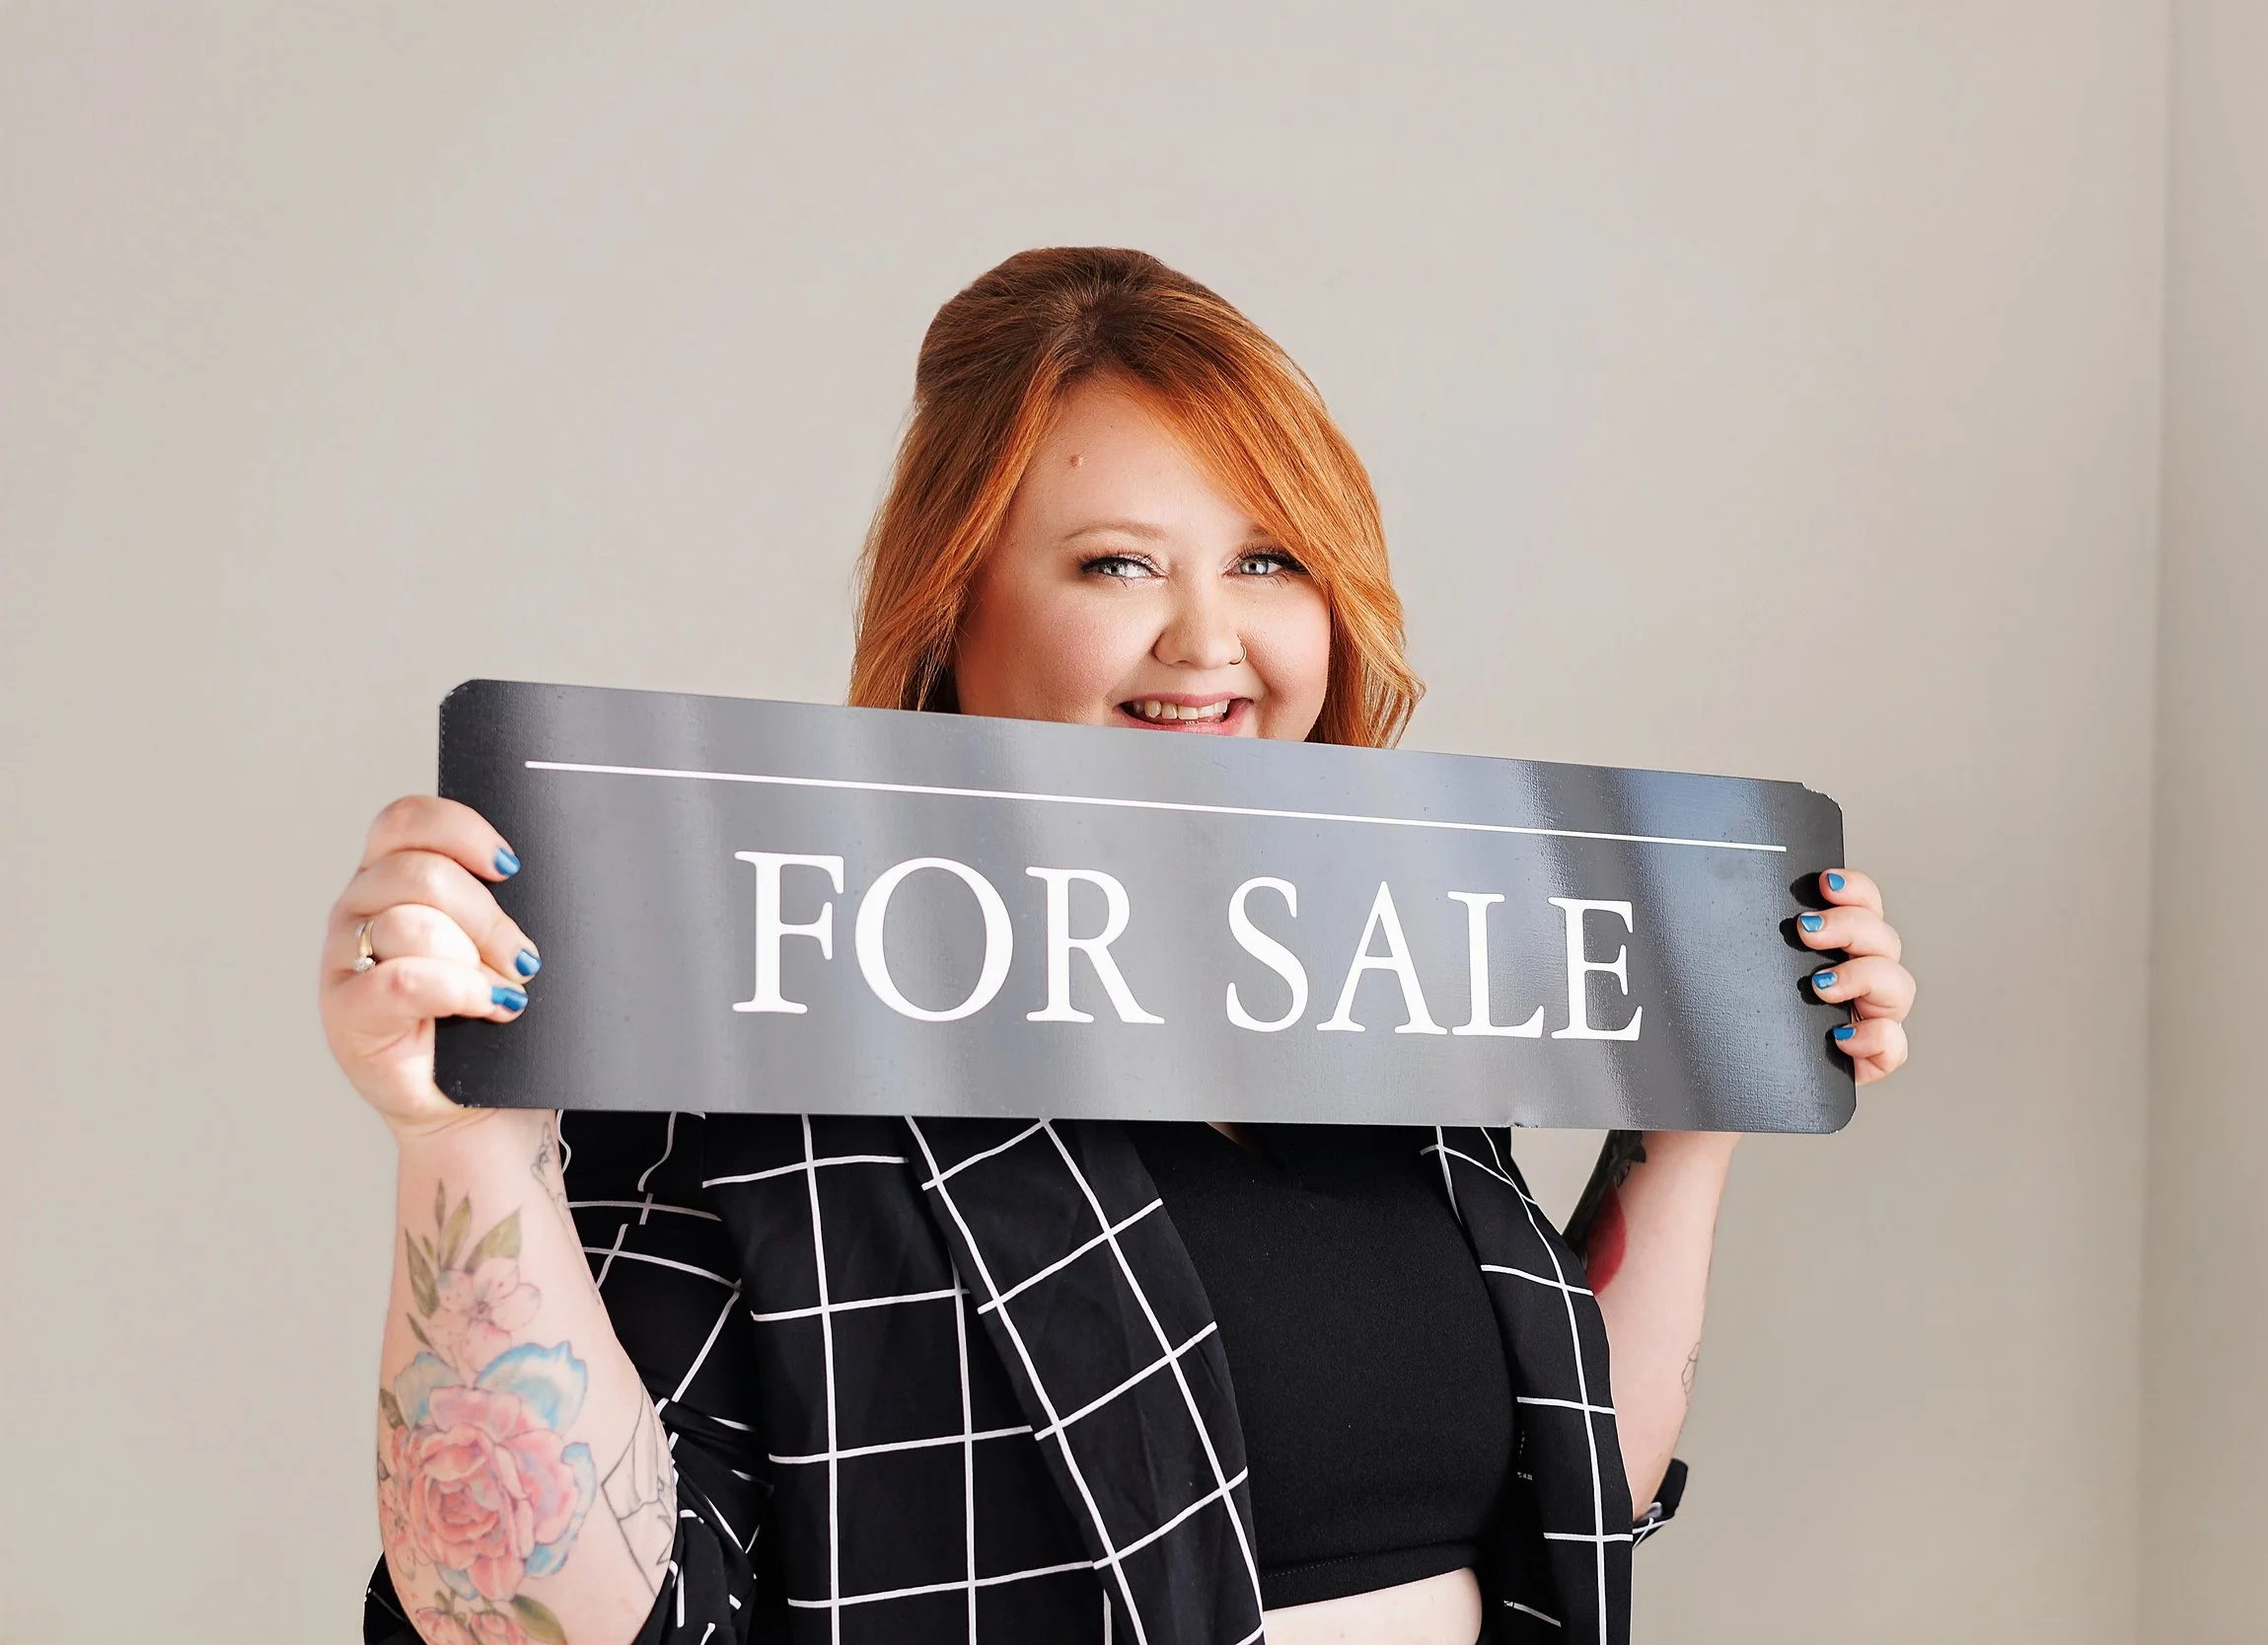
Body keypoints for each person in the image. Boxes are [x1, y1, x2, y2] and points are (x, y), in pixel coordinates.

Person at [333, 248, 1916, 1645]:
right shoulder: (753, 1005)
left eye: (1270, 558)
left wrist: (1699, 1091)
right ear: (954, 606)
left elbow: (1571, 1495)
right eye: (1118, 563)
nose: (1210, 641)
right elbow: (536, 1626)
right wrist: (465, 1143)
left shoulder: (1393, 990)